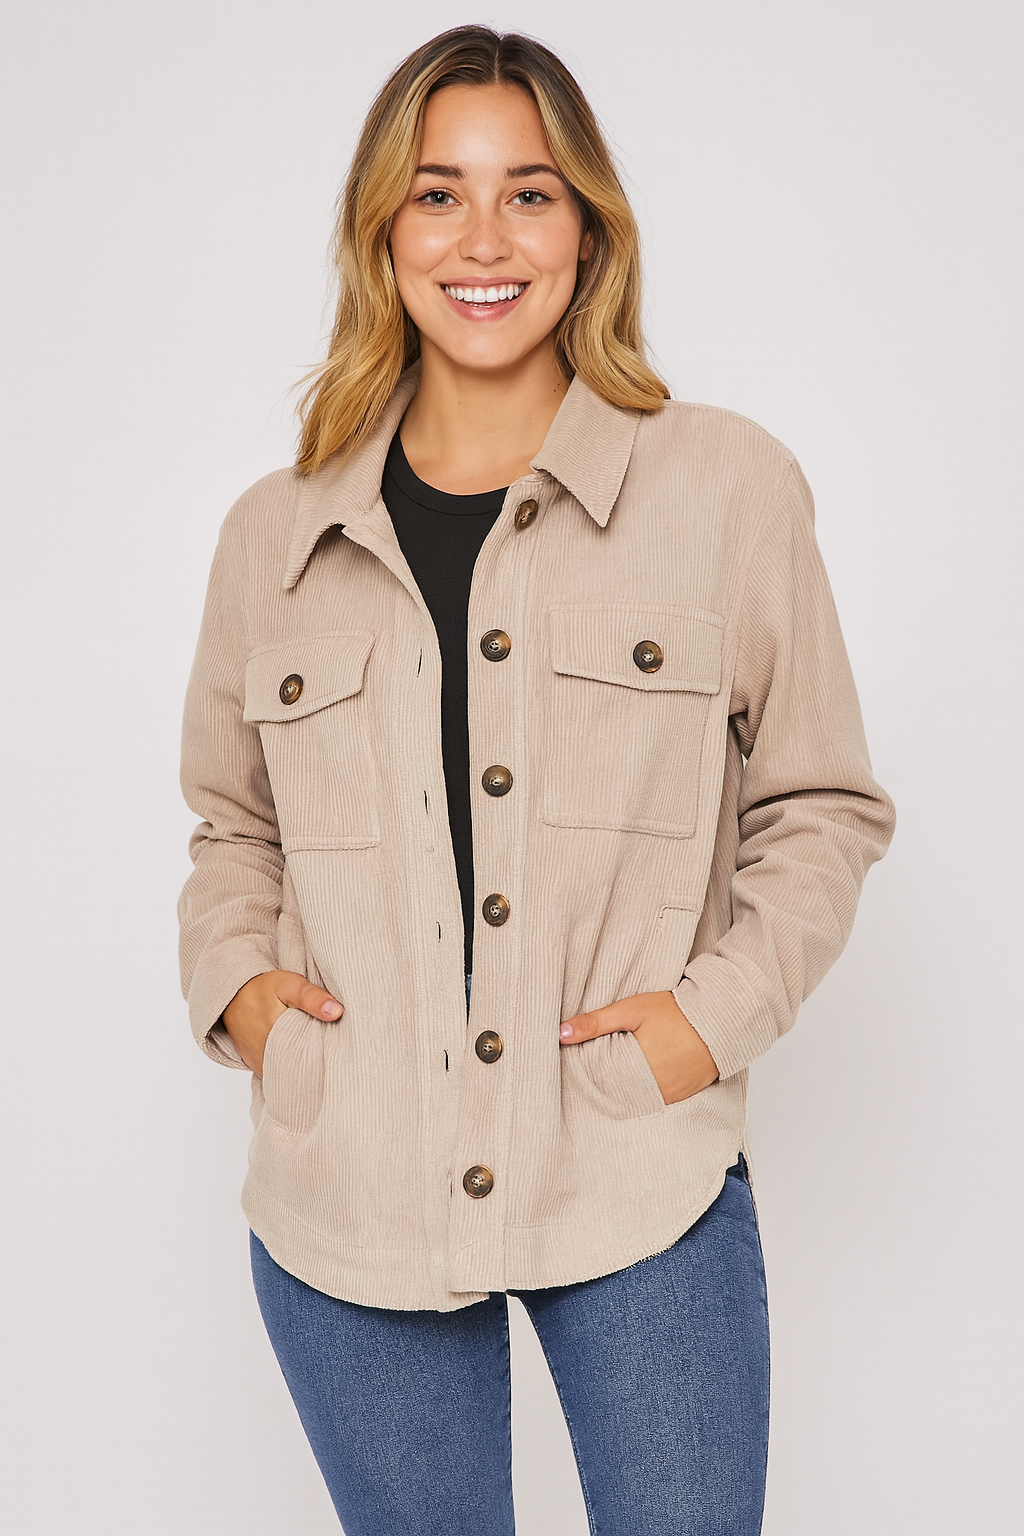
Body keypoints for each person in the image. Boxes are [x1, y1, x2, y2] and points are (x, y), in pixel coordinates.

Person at [178, 25, 894, 1535]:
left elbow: (822, 803)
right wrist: (240, 993)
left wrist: (710, 1023)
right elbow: (233, 821)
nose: (485, 240)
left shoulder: (724, 489)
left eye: (530, 194)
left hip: (634, 1174)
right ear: (383, 232)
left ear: (589, 230)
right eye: (439, 195)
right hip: (350, 1191)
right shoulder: (273, 533)